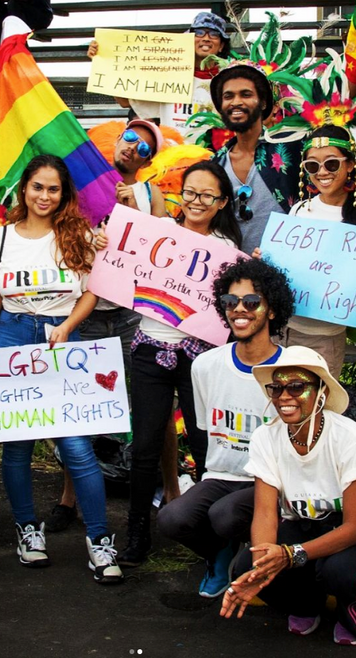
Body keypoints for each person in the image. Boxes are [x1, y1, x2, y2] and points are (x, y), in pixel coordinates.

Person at [0, 154, 122, 584]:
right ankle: (27, 531)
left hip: (61, 341)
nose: (44, 195)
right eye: (38, 186)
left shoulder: (77, 236)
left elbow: (92, 292)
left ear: (64, 194)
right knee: (17, 444)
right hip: (11, 336)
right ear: (24, 188)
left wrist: (68, 326)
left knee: (76, 447)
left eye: (53, 189)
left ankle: (98, 540)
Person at [221, 346, 356, 646]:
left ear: (321, 391)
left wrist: (288, 555)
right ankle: (305, 605)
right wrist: (265, 562)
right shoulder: (266, 436)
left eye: (297, 386)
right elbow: (265, 512)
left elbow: (354, 528)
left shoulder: (348, 436)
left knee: (340, 572)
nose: (284, 396)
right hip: (303, 523)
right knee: (249, 567)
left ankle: (350, 612)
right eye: (277, 388)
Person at [44, 119, 165, 533]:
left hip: (132, 313)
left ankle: (164, 493)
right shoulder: (80, 186)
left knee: (150, 402)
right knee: (79, 407)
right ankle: (69, 498)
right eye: (130, 138)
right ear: (118, 139)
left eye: (145, 148)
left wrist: (133, 211)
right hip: (86, 311)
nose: (133, 148)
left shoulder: (153, 195)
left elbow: (159, 255)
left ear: (149, 162)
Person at [120, 160, 243, 567]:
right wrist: (110, 244)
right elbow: (120, 266)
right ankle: (137, 528)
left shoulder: (227, 251)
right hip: (150, 349)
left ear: (222, 201)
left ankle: (211, 536)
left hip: (202, 359)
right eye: (190, 192)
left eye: (207, 195)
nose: (196, 201)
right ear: (179, 194)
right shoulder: (159, 233)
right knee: (144, 447)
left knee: (206, 444)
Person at [157, 256, 294, 597]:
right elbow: (206, 428)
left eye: (251, 302)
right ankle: (220, 553)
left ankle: (257, 559)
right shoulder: (205, 365)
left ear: (272, 310)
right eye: (230, 302)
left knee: (225, 515)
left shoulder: (293, 367)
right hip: (222, 476)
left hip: (276, 482)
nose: (239, 310)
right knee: (171, 519)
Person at [278, 125, 356, 380]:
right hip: (282, 329)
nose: (322, 173)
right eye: (312, 166)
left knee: (318, 409)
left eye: (331, 164)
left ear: (350, 164)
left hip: (325, 336)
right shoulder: (299, 211)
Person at [87, 12, 231, 142]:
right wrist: (102, 60)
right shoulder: (166, 74)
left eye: (214, 34)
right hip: (173, 160)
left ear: (222, 46)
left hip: (213, 158)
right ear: (188, 40)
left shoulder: (229, 80)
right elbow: (124, 102)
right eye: (199, 33)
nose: (206, 39)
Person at [211, 60, 302, 253]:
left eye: (246, 94)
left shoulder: (293, 150)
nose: (236, 102)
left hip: (284, 270)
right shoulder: (215, 164)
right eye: (228, 96)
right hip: (232, 273)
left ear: (263, 103)